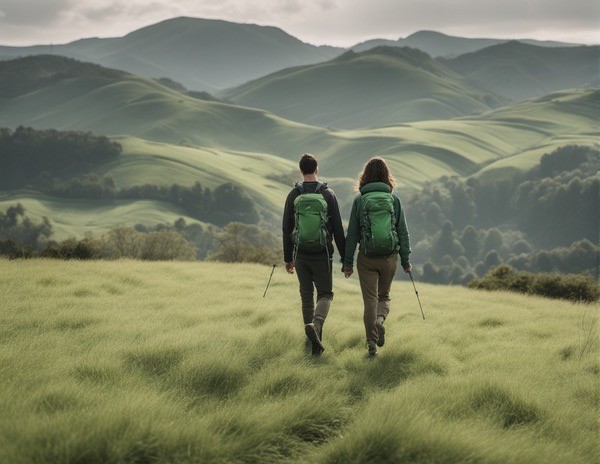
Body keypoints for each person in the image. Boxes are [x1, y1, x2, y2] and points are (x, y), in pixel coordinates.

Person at [342, 157, 411, 356]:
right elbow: (403, 232)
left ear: (365, 177)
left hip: (367, 258)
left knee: (370, 301)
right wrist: (405, 261)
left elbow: (353, 234)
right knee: (384, 296)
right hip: (390, 257)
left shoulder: (360, 200)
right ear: (387, 177)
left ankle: (371, 345)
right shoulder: (394, 200)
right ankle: (380, 320)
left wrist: (347, 263)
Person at [283, 153, 346, 355]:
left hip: (301, 254)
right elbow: (337, 229)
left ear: (301, 170)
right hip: (323, 254)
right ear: (316, 168)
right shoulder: (328, 194)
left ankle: (310, 342)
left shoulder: (294, 195)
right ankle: (317, 327)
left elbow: (286, 229)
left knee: (306, 296)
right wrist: (346, 260)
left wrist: (288, 258)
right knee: (325, 294)